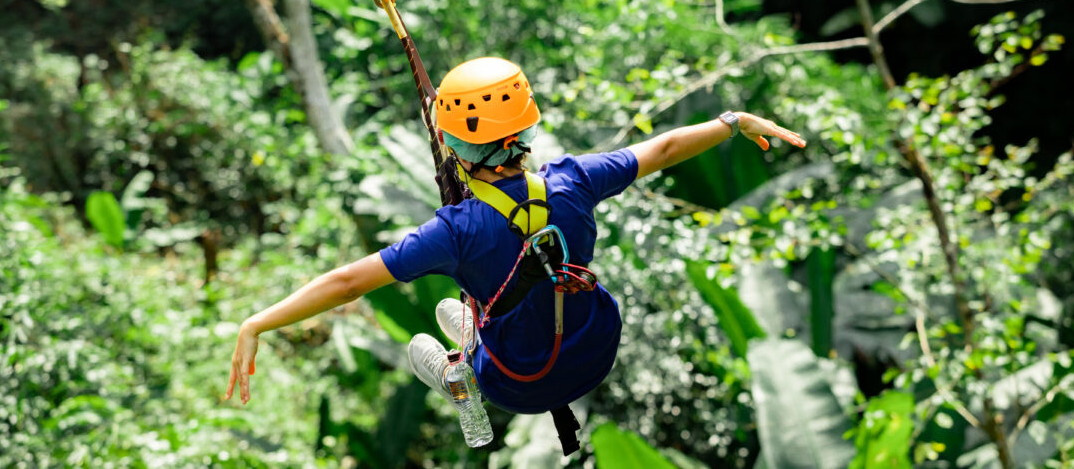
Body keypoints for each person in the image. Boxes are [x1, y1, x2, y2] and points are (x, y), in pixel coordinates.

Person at [224, 57, 806, 431]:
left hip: (517, 384)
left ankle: (462, 379)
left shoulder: (454, 231)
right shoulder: (575, 180)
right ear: (528, 129)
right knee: (479, 301)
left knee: (438, 324)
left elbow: (348, 282)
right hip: (593, 350)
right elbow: (665, 149)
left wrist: (258, 322)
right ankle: (475, 332)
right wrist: (734, 120)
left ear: (452, 148)